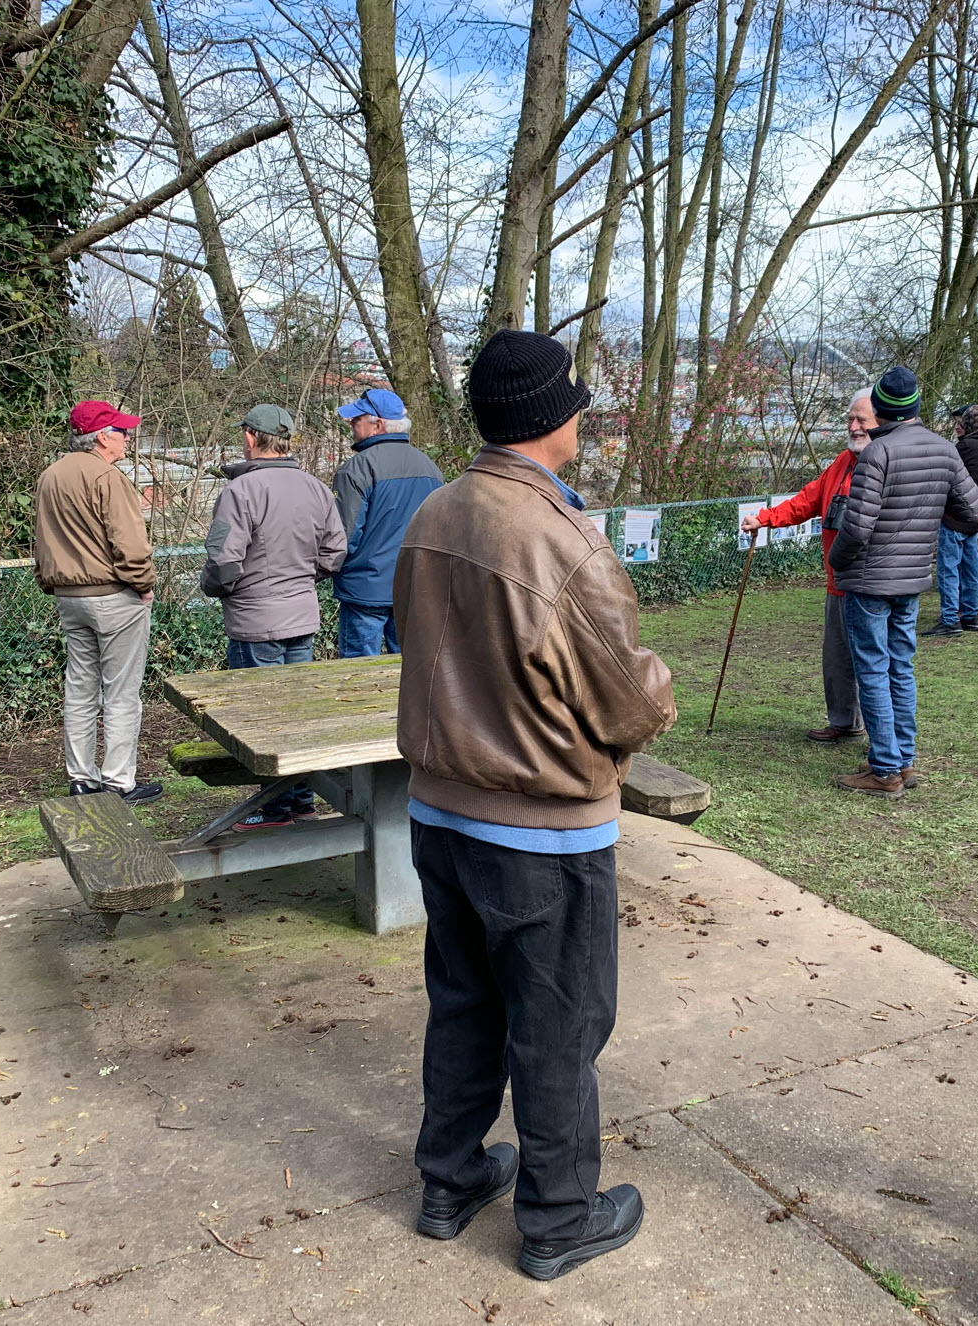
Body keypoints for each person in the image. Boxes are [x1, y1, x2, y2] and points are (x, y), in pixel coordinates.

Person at [393, 330, 676, 1279]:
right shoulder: (560, 538)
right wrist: (655, 691)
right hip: (539, 832)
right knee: (558, 1027)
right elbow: (630, 700)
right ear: (557, 417)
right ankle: (558, 1217)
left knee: (464, 1002)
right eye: (579, 403)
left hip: (439, 813)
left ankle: (449, 1178)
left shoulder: (436, 510)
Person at [827, 366, 978, 798]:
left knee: (874, 671)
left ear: (879, 409)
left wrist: (835, 562)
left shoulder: (878, 454)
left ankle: (885, 770)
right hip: (912, 579)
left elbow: (856, 529)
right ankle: (903, 758)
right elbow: (974, 511)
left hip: (869, 581)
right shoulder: (945, 450)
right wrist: (932, 518)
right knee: (901, 666)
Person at [200, 405, 347, 831]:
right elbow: (335, 553)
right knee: (298, 715)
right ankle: (301, 801)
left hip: (255, 620)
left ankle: (276, 808)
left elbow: (224, 564)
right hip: (301, 615)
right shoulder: (316, 488)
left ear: (250, 438)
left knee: (265, 720)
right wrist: (302, 579)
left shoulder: (240, 492)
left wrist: (215, 586)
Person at [32, 401, 161, 805]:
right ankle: (119, 782)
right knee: (121, 692)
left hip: (69, 598)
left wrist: (49, 583)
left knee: (80, 688)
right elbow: (130, 545)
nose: (127, 439)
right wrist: (144, 585)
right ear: (102, 437)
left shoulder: (50, 476)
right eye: (122, 432)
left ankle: (81, 778)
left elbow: (40, 540)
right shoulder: (108, 477)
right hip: (113, 596)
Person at [739, 388, 876, 743]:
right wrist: (765, 519)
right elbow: (807, 500)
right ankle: (845, 721)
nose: (854, 426)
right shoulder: (842, 462)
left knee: (873, 664)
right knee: (837, 658)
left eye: (862, 419)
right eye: (850, 418)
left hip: (873, 582)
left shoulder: (885, 462)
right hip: (838, 580)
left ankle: (883, 739)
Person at [331, 387, 443, 656]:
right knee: (408, 673)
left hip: (364, 591)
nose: (351, 424)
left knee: (356, 679)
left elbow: (343, 537)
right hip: (414, 587)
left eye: (356, 420)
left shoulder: (356, 469)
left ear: (377, 425)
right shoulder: (430, 468)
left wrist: (327, 569)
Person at [923, 403, 978, 637]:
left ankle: (950, 619)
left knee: (949, 567)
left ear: (968, 424)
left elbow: (946, 476)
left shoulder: (965, 447)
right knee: (972, 565)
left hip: (955, 514)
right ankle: (971, 614)